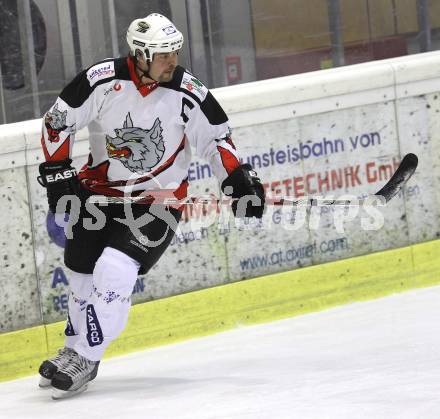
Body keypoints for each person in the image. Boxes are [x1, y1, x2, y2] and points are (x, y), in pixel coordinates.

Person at [37, 13, 265, 399]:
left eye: (174, 53)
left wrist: (238, 179)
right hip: (100, 197)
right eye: (162, 55)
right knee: (80, 274)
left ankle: (87, 358)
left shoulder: (188, 91)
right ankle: (73, 349)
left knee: (114, 269)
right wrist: (59, 172)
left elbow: (217, 140)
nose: (171, 61)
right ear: (139, 54)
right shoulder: (102, 80)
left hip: (157, 204)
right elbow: (58, 122)